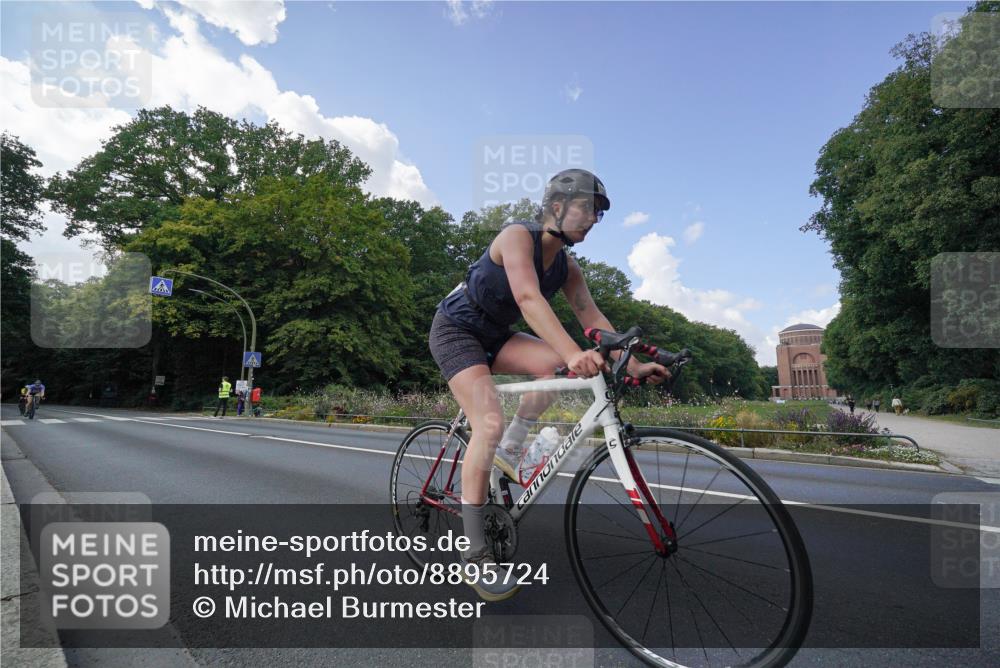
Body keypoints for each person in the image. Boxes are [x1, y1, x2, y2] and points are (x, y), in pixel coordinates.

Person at [428, 169, 670, 602]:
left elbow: (593, 319)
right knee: (488, 422)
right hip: (457, 330)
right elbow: (527, 298)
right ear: (556, 206)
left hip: (497, 336)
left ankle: (509, 451)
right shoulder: (516, 236)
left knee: (556, 367)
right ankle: (474, 551)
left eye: (598, 213)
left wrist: (632, 363)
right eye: (587, 208)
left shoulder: (567, 267)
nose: (593, 219)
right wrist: (574, 352)